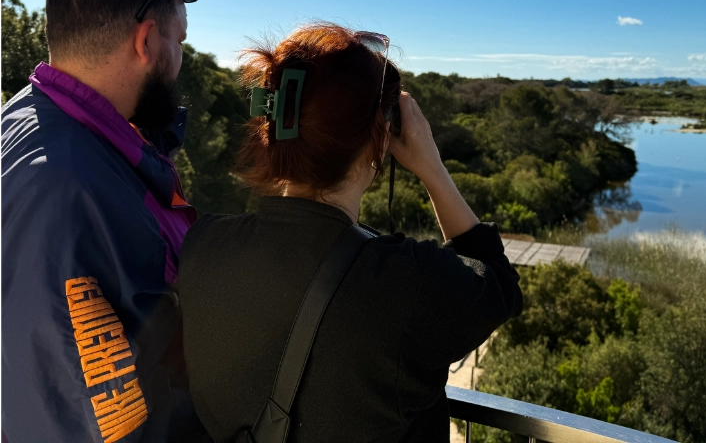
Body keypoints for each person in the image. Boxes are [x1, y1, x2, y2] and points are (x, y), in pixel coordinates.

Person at [178, 24, 523, 442]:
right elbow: (498, 283)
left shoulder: (203, 245)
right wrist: (432, 168)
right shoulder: (407, 284)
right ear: (380, 138)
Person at [0, 0, 207, 442]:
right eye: (178, 41)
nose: (179, 61)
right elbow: (74, 419)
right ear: (146, 41)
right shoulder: (69, 196)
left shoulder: (34, 114)